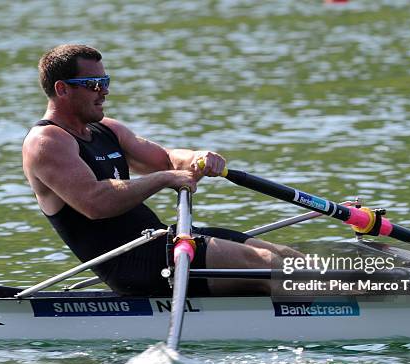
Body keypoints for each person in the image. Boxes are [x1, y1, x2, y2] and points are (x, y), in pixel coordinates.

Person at [23, 44, 299, 296]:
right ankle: (330, 315)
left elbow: (166, 159)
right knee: (267, 265)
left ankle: (334, 303)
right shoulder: (46, 142)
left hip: (163, 243)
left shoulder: (107, 128)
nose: (104, 91)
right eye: (93, 84)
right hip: (134, 265)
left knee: (289, 258)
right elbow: (95, 202)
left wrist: (196, 157)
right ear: (62, 89)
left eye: (105, 82)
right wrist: (165, 179)